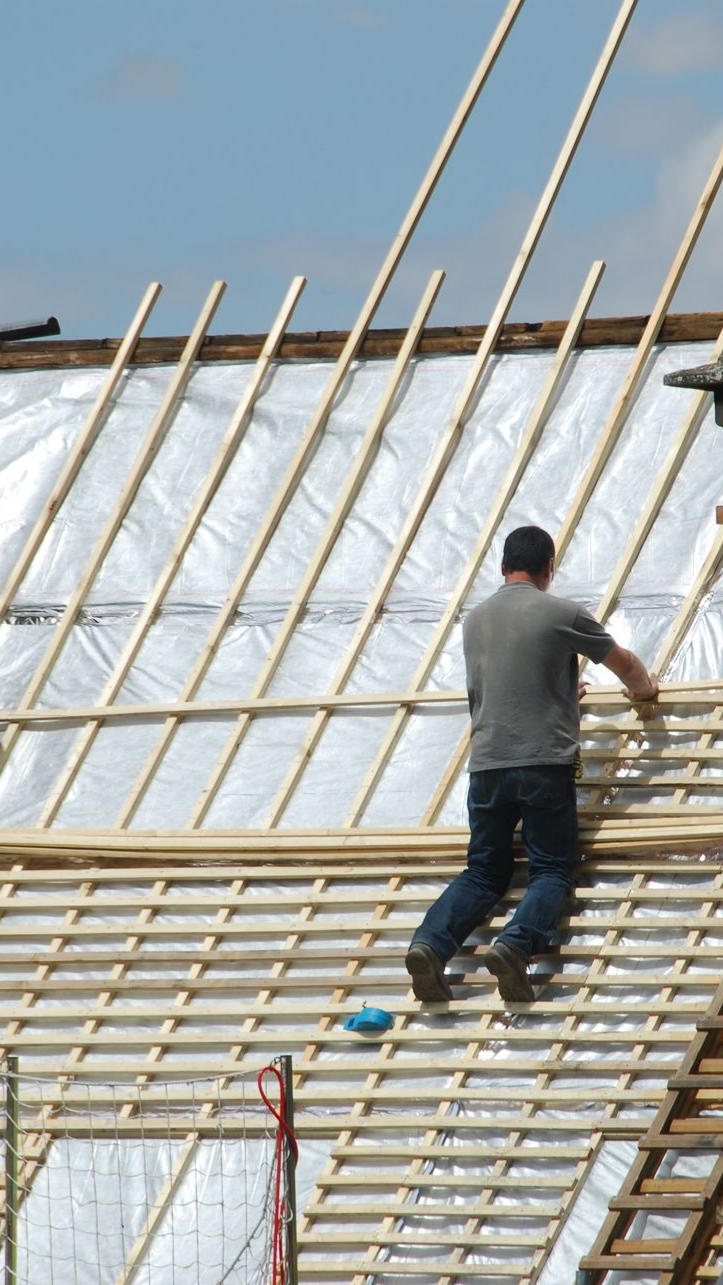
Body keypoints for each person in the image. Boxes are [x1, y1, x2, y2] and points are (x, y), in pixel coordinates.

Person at [405, 525, 658, 1005]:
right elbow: (623, 664)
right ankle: (514, 947)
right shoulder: (560, 612)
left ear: (502, 567)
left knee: (482, 872)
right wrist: (645, 692)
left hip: (486, 766)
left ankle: (429, 946)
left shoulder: (475, 620)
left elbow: (505, 684)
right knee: (551, 872)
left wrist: (561, 695)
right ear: (548, 570)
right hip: (542, 764)